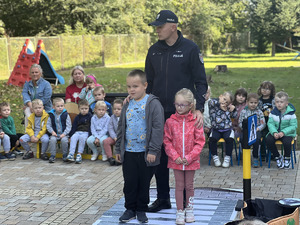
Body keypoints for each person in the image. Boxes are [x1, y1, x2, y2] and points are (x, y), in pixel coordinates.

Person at [146, 9, 207, 212]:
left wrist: (198, 108)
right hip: (158, 113)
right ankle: (163, 198)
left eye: (160, 26)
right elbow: (148, 82)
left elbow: (200, 82)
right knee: (160, 156)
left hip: (183, 114)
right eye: (156, 27)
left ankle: (184, 201)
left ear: (173, 27)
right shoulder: (153, 50)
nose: (157, 30)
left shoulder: (190, 49)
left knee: (184, 156)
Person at [115, 69, 164, 223]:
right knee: (130, 182)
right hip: (129, 151)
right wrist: (118, 149)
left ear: (145, 85)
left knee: (143, 183)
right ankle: (130, 209)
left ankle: (141, 209)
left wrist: (153, 150)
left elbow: (158, 128)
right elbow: (121, 127)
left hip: (145, 153)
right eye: (129, 86)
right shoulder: (127, 103)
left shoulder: (153, 104)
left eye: (135, 86)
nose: (131, 90)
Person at [164, 88, 205, 224]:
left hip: (190, 161)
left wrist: (189, 157)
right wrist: (175, 156)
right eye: (177, 104)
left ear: (190, 105)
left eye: (182, 105)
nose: (179, 107)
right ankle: (180, 211)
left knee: (189, 186)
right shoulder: (170, 121)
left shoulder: (195, 121)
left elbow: (200, 142)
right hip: (176, 161)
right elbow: (167, 141)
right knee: (179, 186)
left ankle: (189, 209)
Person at [266, 91, 297, 169]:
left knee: (287, 142)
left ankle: (287, 158)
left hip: (287, 133)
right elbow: (270, 124)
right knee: (269, 140)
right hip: (276, 132)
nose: (279, 104)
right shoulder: (273, 113)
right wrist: (274, 132)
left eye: (281, 102)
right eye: (277, 102)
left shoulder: (291, 113)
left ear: (286, 103)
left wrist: (283, 132)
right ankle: (277, 156)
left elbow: (293, 126)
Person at [209, 92, 237, 168]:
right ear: (220, 96)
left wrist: (233, 109)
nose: (224, 102)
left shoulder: (228, 108)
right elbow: (210, 102)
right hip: (216, 129)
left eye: (227, 102)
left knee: (229, 139)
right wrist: (219, 103)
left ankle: (227, 158)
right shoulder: (213, 104)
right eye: (224, 99)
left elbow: (234, 116)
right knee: (212, 139)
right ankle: (215, 157)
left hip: (227, 129)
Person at [239, 93, 266, 168]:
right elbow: (240, 122)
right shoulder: (243, 112)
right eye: (251, 102)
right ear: (247, 102)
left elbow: (263, 123)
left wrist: (258, 128)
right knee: (242, 139)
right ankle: (244, 156)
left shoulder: (259, 112)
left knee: (256, 140)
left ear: (258, 103)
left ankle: (255, 157)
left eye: (255, 103)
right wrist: (245, 129)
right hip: (246, 131)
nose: (253, 104)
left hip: (256, 131)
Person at [22, 64, 52, 129]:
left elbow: (46, 98)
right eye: (32, 72)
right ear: (30, 74)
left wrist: (35, 107)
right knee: (27, 109)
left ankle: (34, 128)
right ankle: (28, 132)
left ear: (40, 73)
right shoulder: (27, 84)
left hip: (44, 108)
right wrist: (30, 105)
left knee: (29, 111)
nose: (34, 74)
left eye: (36, 72)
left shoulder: (46, 84)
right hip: (31, 108)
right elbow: (25, 94)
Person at [66, 99, 92, 164]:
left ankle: (79, 154)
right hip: (77, 131)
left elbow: (91, 127)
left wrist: (90, 135)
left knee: (82, 139)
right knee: (73, 138)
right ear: (79, 109)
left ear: (88, 108)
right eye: (82, 108)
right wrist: (70, 136)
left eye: (86, 108)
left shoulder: (90, 116)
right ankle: (71, 154)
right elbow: (74, 127)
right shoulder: (77, 117)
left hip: (86, 132)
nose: (84, 110)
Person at [46, 98, 72, 163]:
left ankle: (65, 155)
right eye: (58, 106)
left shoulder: (66, 115)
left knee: (64, 140)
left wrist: (64, 134)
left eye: (61, 106)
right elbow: (48, 125)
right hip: (55, 133)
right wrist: (52, 132)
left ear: (64, 106)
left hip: (64, 134)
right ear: (54, 107)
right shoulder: (51, 115)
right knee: (52, 140)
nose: (60, 108)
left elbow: (69, 126)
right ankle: (52, 155)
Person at [257, 81, 276, 159]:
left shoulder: (274, 100)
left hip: (271, 123)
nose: (265, 90)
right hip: (262, 123)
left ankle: (271, 154)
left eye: (267, 89)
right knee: (262, 138)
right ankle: (263, 154)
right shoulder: (259, 101)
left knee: (270, 138)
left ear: (271, 91)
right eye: (263, 88)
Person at [103, 98, 123, 166]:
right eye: (114, 109)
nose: (116, 111)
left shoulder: (125, 118)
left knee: (123, 144)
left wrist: (120, 137)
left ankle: (120, 159)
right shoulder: (112, 117)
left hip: (122, 137)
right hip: (114, 137)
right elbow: (110, 128)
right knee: (106, 141)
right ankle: (110, 158)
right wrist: (114, 137)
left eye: (118, 109)